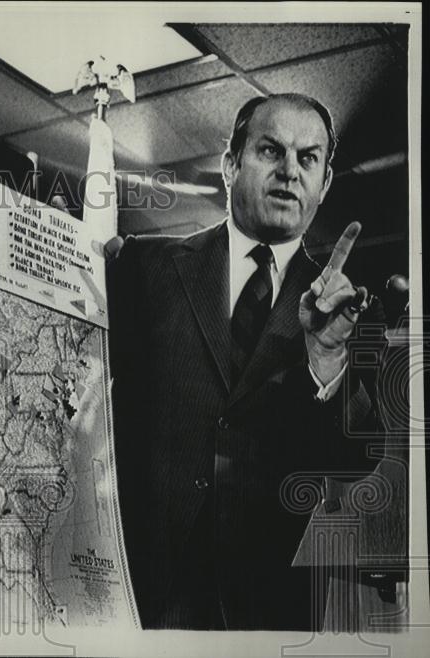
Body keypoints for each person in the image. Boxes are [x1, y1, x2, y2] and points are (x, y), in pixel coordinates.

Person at [107, 93, 382, 630]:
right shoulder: (143, 267)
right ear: (230, 165)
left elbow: (355, 462)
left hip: (268, 608)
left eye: (308, 159)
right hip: (140, 594)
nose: (288, 172)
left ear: (324, 184)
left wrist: (327, 361)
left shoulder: (345, 309)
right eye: (270, 150)